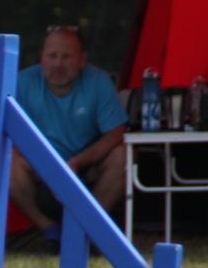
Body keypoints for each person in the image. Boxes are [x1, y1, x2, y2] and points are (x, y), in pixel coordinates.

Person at [9, 25, 128, 251]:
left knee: (124, 156)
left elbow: (116, 133)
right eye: (52, 56)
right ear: (41, 57)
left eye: (66, 57)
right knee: (5, 159)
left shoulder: (99, 82)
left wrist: (78, 162)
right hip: (38, 167)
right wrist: (45, 163)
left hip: (87, 166)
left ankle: (88, 227)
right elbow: (4, 132)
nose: (58, 64)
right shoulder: (21, 83)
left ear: (82, 60)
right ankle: (48, 228)